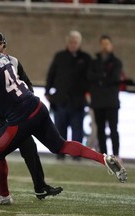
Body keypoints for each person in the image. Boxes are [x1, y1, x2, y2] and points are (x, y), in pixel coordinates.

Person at [0, 31, 127, 205]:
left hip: (19, 117)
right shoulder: (5, 58)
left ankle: (3, 195)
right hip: (37, 106)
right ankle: (102, 158)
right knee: (60, 145)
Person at [0, 31, 63, 200]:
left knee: (29, 147)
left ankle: (40, 187)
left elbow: (28, 86)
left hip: (9, 114)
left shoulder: (12, 62)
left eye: (1, 45)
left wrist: (20, 100)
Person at [45, 30, 91, 160]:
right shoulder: (59, 56)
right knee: (59, 130)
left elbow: (90, 79)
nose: (73, 44)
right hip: (61, 101)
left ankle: (77, 155)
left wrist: (88, 94)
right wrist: (47, 92)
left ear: (79, 43)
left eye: (75, 42)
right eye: (71, 41)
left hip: (78, 102)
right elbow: (51, 75)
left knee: (77, 131)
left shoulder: (86, 58)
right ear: (67, 42)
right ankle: (60, 154)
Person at [87, 35, 122, 158]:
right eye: (102, 44)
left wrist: (100, 79)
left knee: (113, 129)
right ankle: (104, 155)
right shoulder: (94, 62)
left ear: (111, 45)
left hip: (111, 101)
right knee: (100, 129)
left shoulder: (116, 62)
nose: (104, 46)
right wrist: (103, 77)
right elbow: (90, 77)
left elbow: (114, 78)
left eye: (107, 44)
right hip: (98, 101)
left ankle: (116, 155)